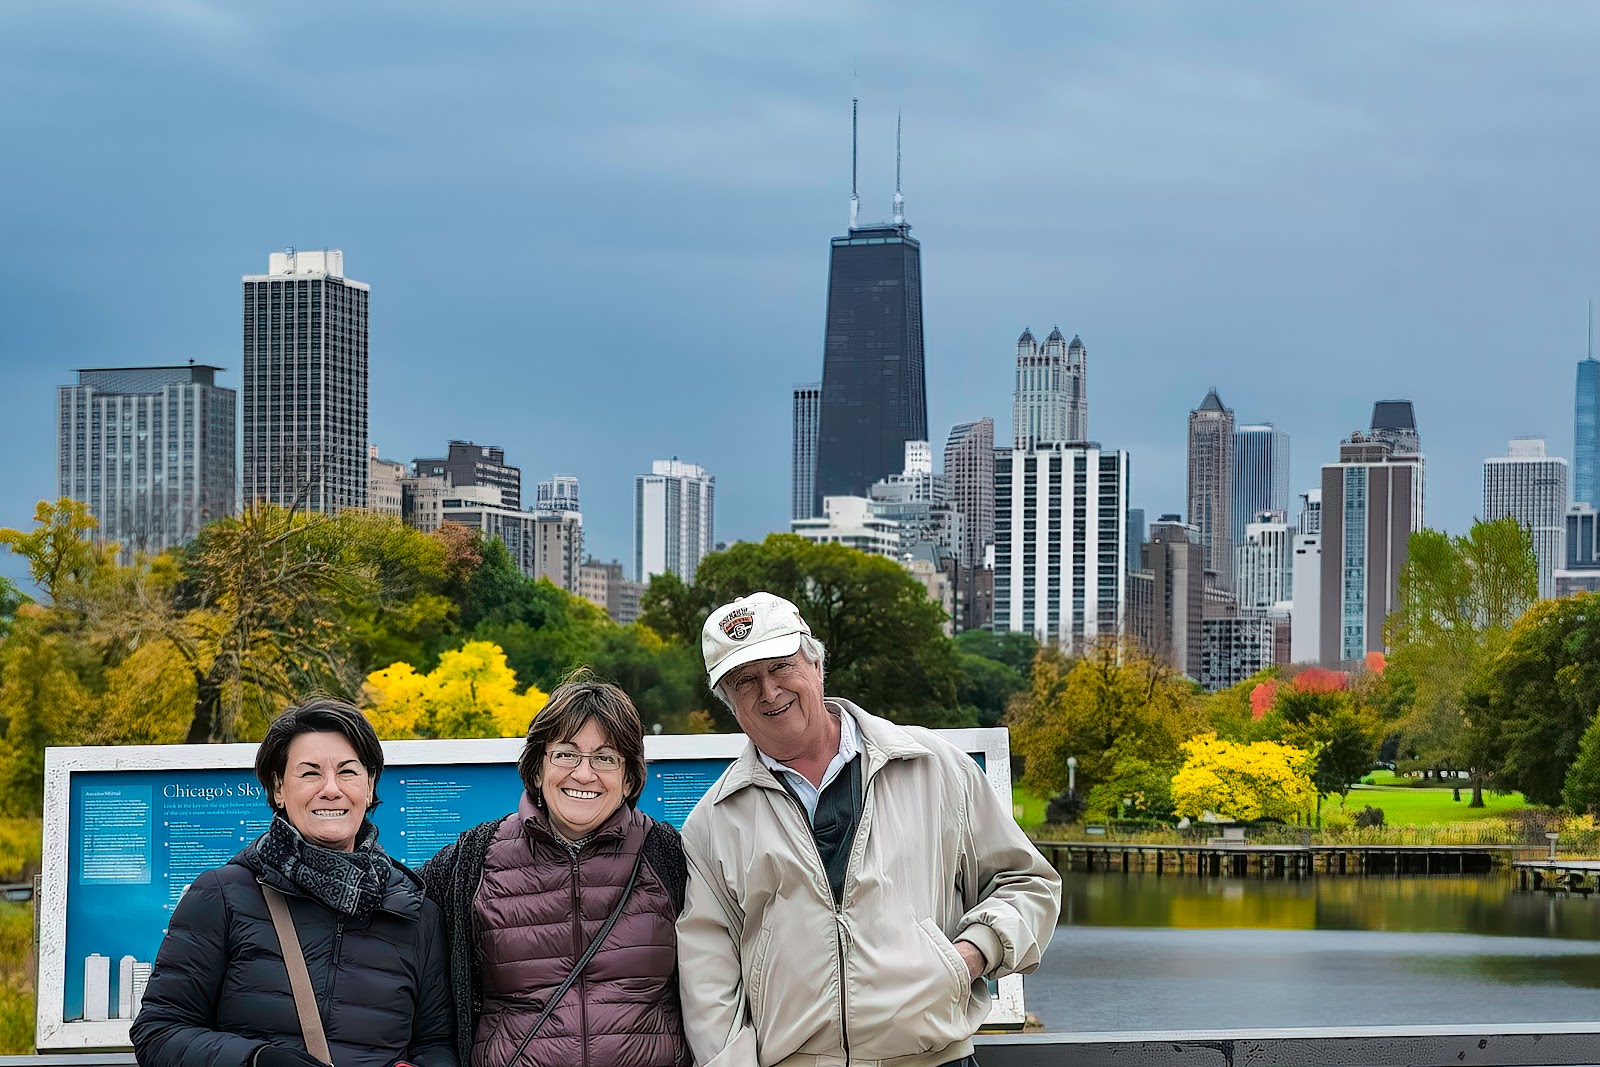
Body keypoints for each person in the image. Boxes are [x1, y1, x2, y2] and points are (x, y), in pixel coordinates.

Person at [677, 592, 1062, 1067]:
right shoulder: (712, 823)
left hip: (933, 1059)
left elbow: (1028, 883)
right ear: (728, 702)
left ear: (816, 664)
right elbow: (708, 978)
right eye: (745, 680)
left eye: (781, 666)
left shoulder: (936, 768)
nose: (769, 691)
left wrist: (970, 955)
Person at [132, 698, 456, 1067]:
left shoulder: (415, 912)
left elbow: (436, 1043)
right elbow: (159, 1032)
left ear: (369, 788)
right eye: (310, 773)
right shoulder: (223, 896)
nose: (331, 789)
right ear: (279, 789)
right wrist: (256, 1060)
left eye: (348, 772)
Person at [420, 674, 689, 1067]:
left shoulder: (669, 856)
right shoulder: (473, 859)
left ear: (629, 778)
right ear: (536, 767)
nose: (583, 774)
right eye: (565, 753)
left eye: (606, 758)